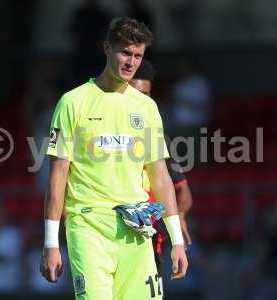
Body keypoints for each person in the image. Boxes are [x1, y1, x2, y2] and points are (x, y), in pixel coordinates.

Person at [40, 17, 188, 300]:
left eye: (138, 55)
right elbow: (57, 175)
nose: (131, 62)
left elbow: (160, 177)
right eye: (125, 52)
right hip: (88, 225)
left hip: (136, 228)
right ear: (107, 48)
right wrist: (51, 242)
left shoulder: (146, 108)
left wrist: (177, 242)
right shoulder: (72, 103)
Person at [130, 59, 193, 296]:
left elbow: (183, 192)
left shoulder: (157, 137)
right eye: (135, 94)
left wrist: (179, 216)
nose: (141, 102)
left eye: (146, 95)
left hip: (148, 240)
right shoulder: (101, 131)